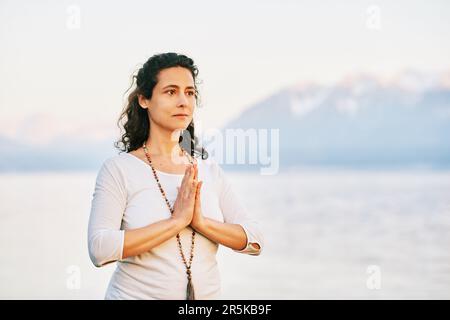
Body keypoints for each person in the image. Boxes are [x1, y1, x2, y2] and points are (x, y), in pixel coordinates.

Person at [87, 52, 264, 300]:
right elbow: (99, 249)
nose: (183, 101)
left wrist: (201, 223)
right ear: (144, 100)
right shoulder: (119, 170)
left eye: (190, 92)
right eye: (171, 92)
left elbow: (254, 241)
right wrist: (176, 222)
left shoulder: (208, 170)